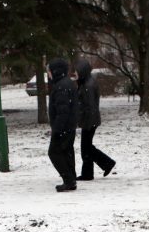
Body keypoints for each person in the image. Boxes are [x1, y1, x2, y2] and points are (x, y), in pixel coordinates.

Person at [75, 59, 115, 181]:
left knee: (86, 148)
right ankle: (89, 173)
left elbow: (89, 106)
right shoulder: (85, 82)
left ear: (82, 71)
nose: (75, 74)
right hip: (89, 120)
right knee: (87, 147)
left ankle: (106, 163)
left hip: (90, 121)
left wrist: (86, 121)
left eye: (76, 72)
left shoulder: (88, 85)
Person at [47, 59, 79, 192]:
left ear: (55, 71)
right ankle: (71, 178)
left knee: (54, 152)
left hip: (64, 127)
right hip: (69, 126)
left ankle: (69, 180)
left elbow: (63, 111)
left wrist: (57, 129)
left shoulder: (61, 86)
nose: (48, 74)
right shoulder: (66, 83)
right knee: (66, 152)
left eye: (49, 71)